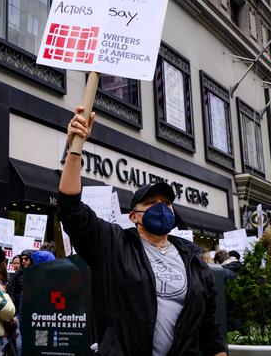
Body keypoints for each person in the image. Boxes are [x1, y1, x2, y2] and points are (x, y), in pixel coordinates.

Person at [58, 106, 227, 356]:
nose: (160, 207)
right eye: (150, 203)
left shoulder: (193, 259)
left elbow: (210, 328)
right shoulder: (113, 245)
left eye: (166, 203)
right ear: (134, 216)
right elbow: (71, 210)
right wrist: (75, 149)